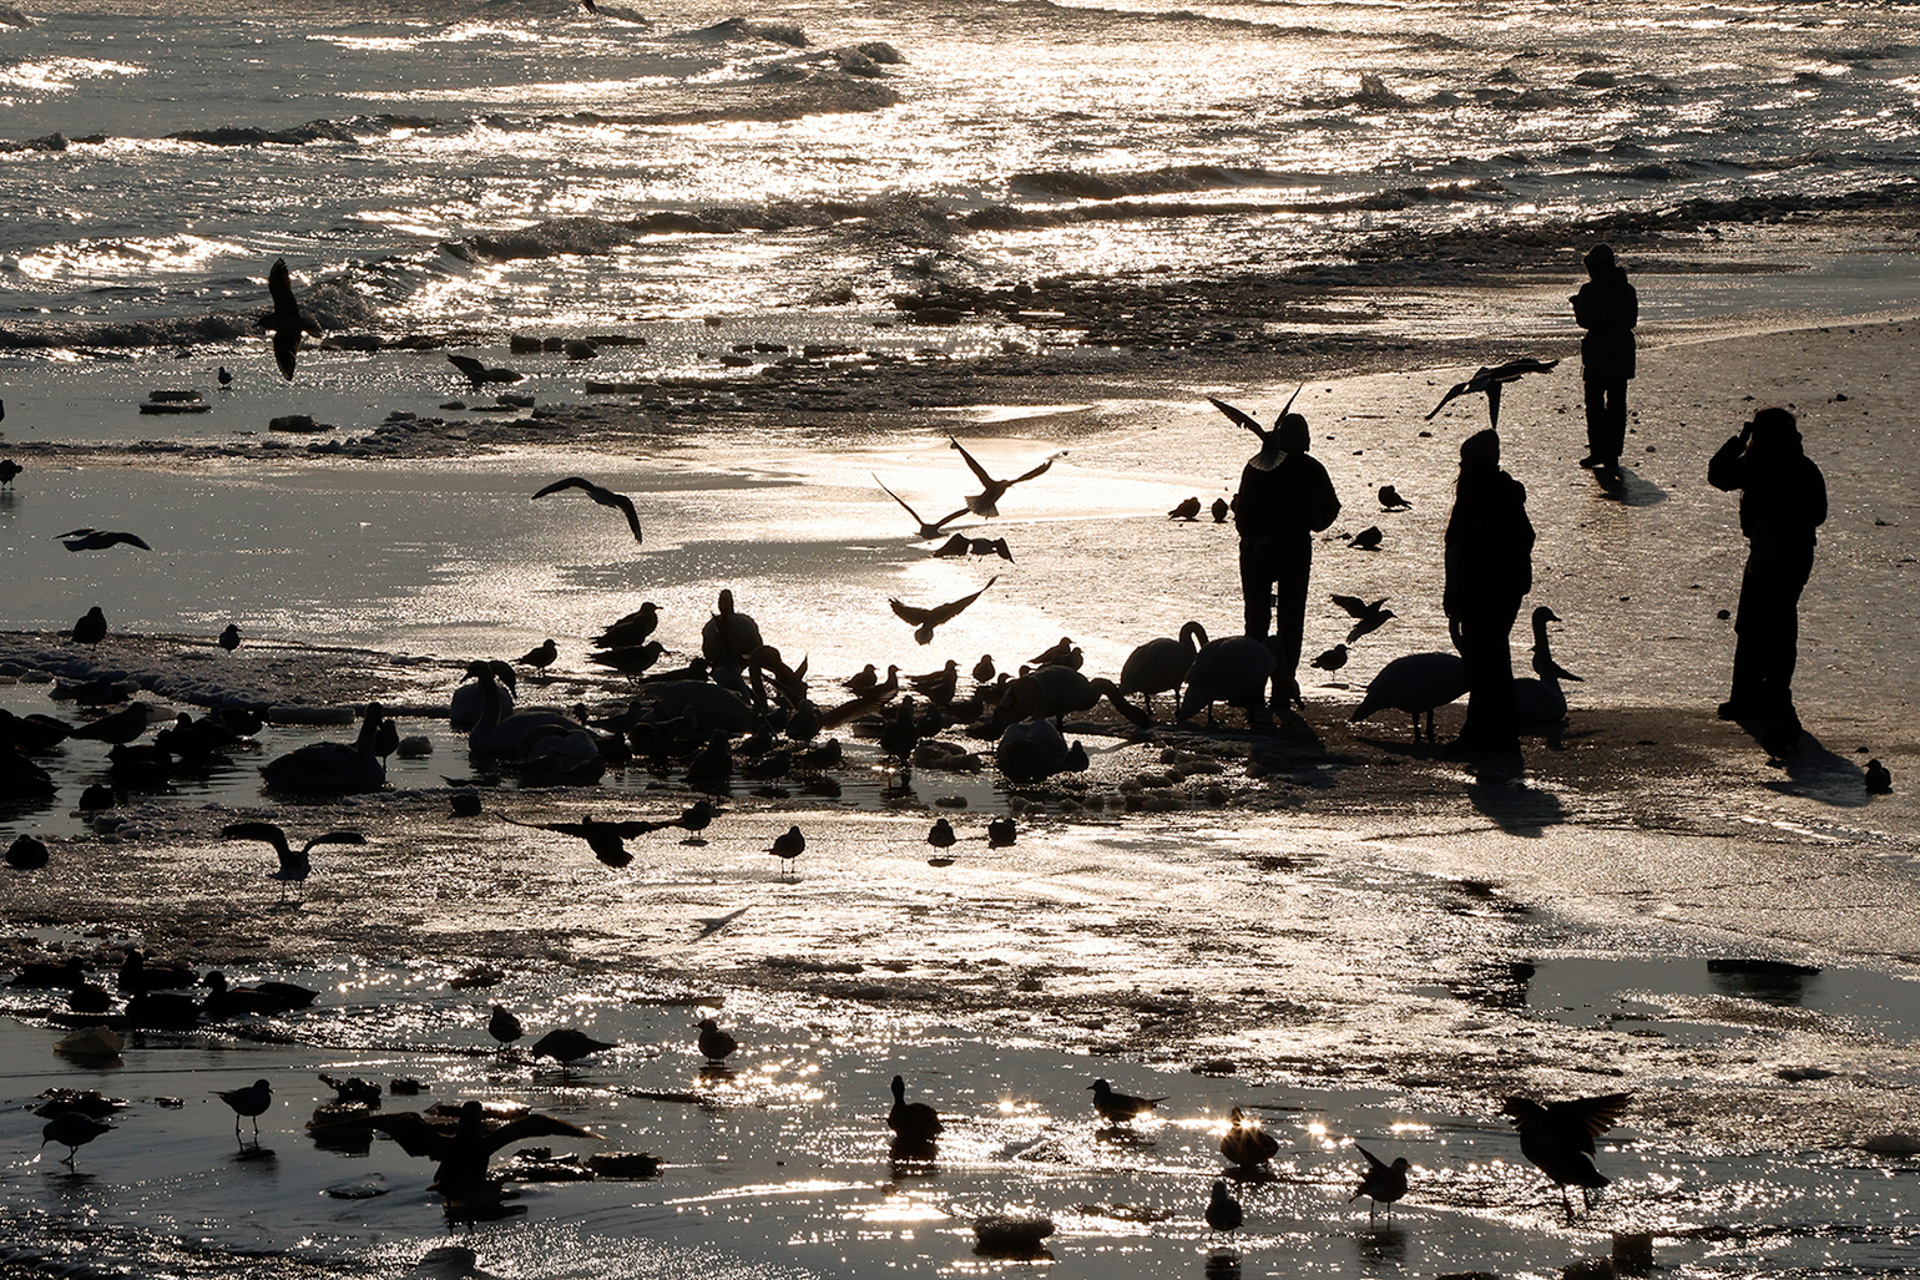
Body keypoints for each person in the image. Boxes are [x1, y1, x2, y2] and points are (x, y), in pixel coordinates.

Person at [1707, 407, 1826, 748]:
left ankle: (1760, 698)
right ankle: (1763, 697)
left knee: (1759, 625)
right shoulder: (1802, 467)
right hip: (1792, 554)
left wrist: (1739, 440)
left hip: (1773, 554)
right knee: (1774, 624)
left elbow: (1718, 475)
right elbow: (1819, 513)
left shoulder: (1757, 464)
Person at [1234, 412, 1340, 709]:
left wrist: (1315, 519)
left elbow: (1330, 507)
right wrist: (1260, 541)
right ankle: (1264, 687)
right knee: (1272, 621)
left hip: (1279, 550)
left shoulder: (1272, 467)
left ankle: (1273, 687)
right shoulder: (1275, 467)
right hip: (1271, 550)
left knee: (1273, 621)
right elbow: (1244, 516)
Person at [1443, 429, 1534, 756]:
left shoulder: (1495, 496)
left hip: (1492, 593)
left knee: (1488, 661)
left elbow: (1519, 541)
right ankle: (1494, 733)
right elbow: (1455, 547)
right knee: (1486, 661)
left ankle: (1487, 735)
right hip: (1474, 592)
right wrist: (1452, 590)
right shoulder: (1472, 494)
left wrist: (1487, 577)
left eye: (1466, 461)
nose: (1461, 467)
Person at [1571, 243, 1637, 474]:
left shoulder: (1589, 290)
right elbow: (1631, 321)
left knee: (1596, 405)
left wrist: (1577, 306)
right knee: (1617, 404)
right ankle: (1613, 453)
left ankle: (1599, 450)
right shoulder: (1627, 288)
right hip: (1621, 352)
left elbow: (1585, 321)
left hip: (1599, 351)